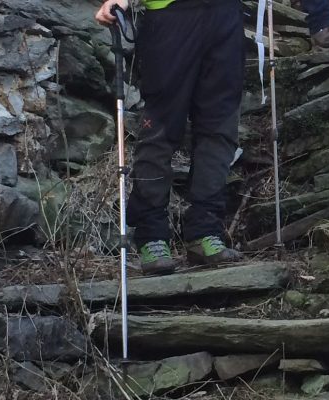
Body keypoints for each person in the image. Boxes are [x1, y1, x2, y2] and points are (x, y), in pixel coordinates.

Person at [96, 0, 245, 275]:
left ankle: (205, 231)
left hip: (226, 14)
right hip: (169, 15)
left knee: (220, 127)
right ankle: (152, 236)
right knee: (160, 129)